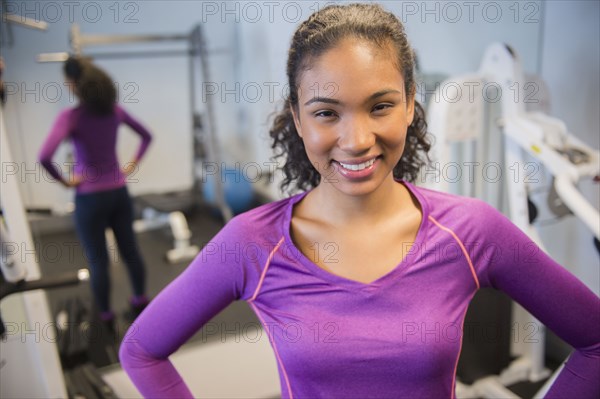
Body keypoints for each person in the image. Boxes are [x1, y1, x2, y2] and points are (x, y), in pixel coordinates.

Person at [119, 3, 599, 398]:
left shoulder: (472, 230)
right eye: (327, 112)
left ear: (411, 103)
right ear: (298, 118)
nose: (356, 139)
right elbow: (141, 351)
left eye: (380, 105)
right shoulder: (251, 243)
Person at [39, 57, 152, 327]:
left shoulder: (71, 117)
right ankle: (139, 303)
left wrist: (66, 182)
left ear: (74, 84)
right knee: (131, 253)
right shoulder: (115, 111)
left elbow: (44, 156)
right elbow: (147, 136)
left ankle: (105, 318)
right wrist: (131, 165)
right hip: (119, 194)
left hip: (90, 199)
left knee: (99, 262)